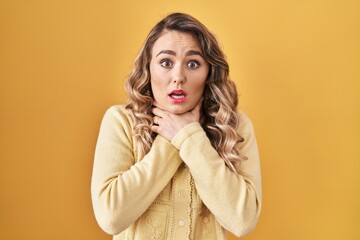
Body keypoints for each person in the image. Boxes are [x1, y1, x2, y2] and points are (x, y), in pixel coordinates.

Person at [91, 12, 262, 240]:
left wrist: (190, 137)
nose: (178, 76)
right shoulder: (121, 122)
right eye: (165, 62)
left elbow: (243, 221)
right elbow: (110, 217)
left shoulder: (234, 127)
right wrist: (172, 139)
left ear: (209, 72)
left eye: (193, 63)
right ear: (148, 68)